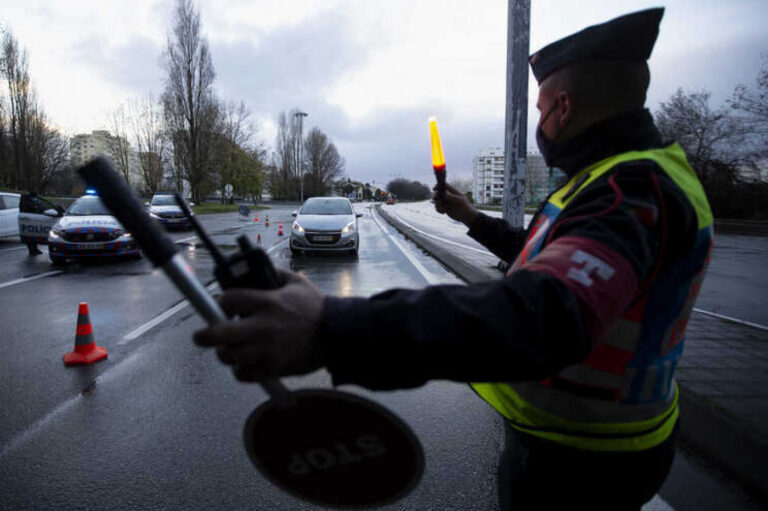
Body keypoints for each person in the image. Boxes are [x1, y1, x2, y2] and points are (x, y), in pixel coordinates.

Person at [194, 7, 713, 510]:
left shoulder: (631, 193)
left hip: (584, 464)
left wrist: (332, 328)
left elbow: (548, 312)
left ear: (564, 106)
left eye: (540, 111)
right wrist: (470, 217)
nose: (540, 123)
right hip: (588, 444)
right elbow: (541, 258)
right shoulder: (614, 180)